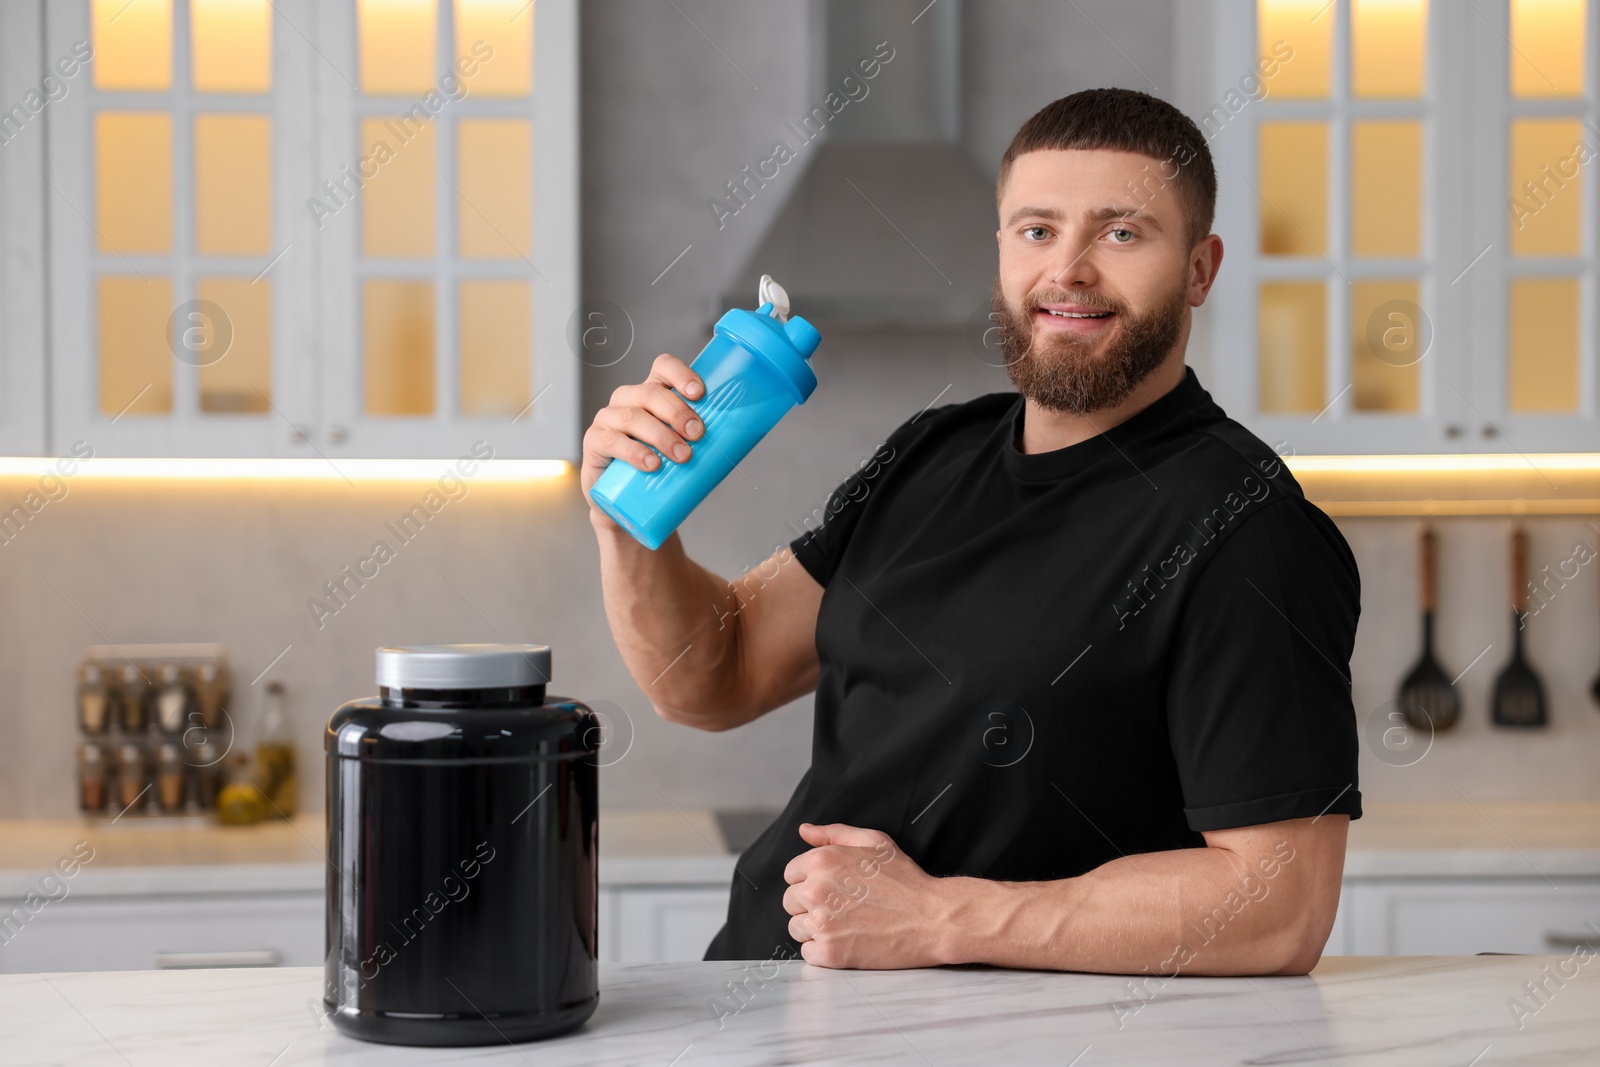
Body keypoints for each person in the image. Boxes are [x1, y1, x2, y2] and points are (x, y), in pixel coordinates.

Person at [581, 87, 1360, 976]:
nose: (1068, 270)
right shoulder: (931, 450)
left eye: (1122, 232)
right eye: (1037, 231)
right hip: (764, 991)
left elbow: (1278, 908)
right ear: (1001, 251)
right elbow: (714, 676)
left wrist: (942, 917)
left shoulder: (1249, 530)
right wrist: (628, 525)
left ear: (1199, 268)